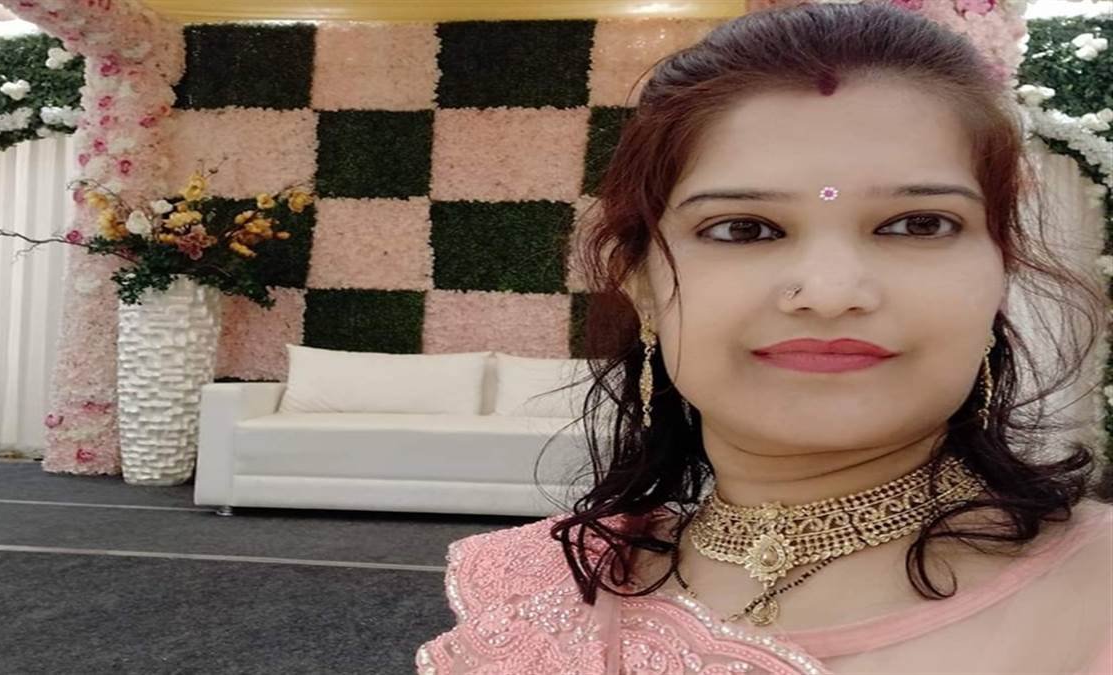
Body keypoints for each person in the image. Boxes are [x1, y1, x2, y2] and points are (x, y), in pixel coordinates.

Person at [415, 2, 1113, 673]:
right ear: (641, 283)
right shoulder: (540, 598)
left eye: (918, 224)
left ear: (1000, 269)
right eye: (744, 229)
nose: (831, 292)